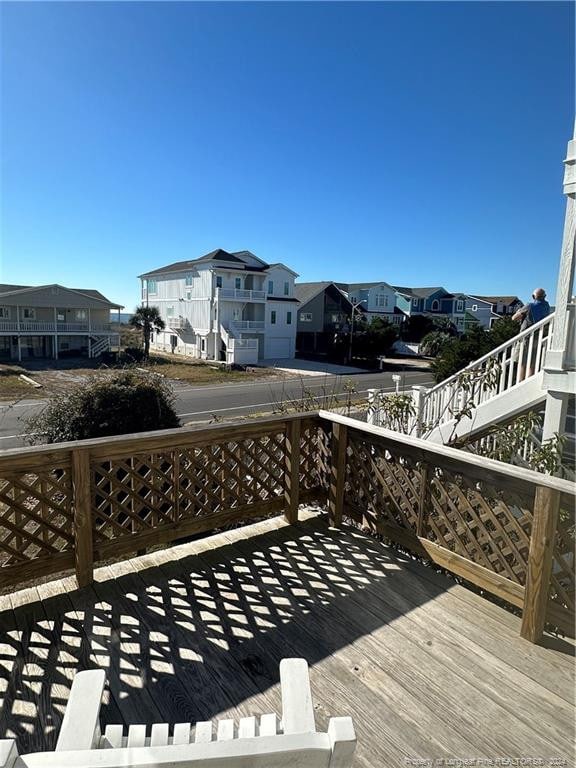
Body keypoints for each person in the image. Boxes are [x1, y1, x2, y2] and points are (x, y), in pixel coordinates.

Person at [512, 288, 551, 380]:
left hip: (527, 337)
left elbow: (514, 318)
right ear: (545, 296)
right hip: (538, 336)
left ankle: (520, 382)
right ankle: (529, 380)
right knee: (532, 362)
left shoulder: (529, 306)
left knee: (523, 362)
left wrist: (519, 311)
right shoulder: (547, 306)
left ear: (533, 296)